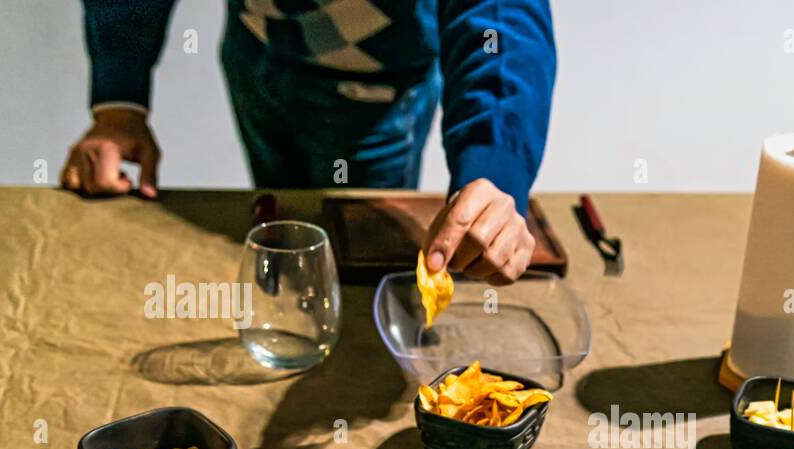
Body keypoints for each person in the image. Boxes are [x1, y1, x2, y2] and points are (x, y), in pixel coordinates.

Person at [62, 0, 556, 284]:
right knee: (286, 232)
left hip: (376, 89)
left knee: (356, 273)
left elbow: (500, 15)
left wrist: (493, 170)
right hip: (257, 55)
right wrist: (119, 103)